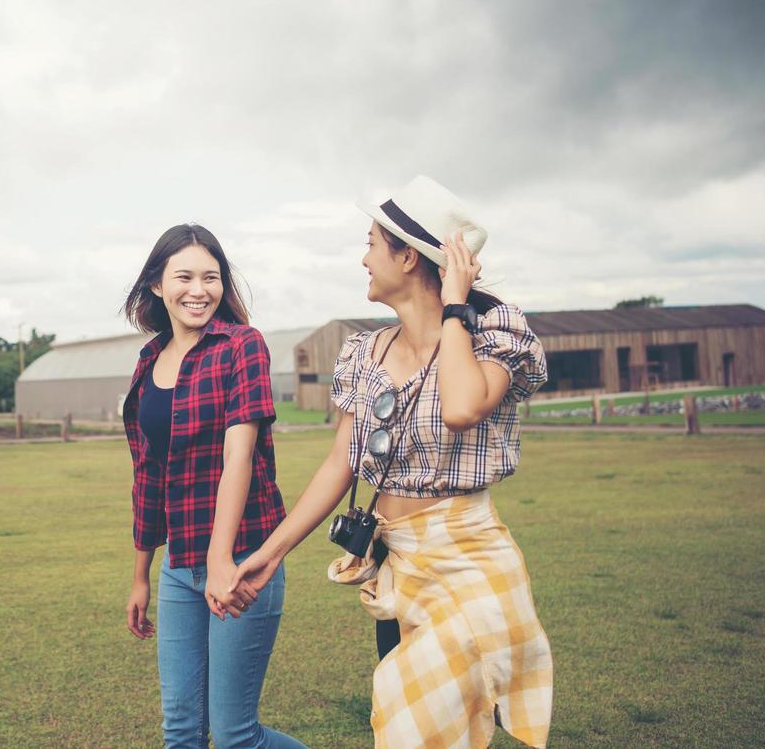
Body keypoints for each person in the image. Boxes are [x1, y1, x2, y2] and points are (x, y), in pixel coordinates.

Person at [229, 177, 553, 748]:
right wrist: (269, 554)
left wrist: (455, 305)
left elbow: (459, 408)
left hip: (467, 562)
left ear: (408, 256)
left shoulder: (496, 334)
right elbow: (340, 463)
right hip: (396, 566)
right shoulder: (363, 352)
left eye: (372, 243)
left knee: (413, 725)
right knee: (411, 720)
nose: (364, 258)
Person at [121, 223, 307, 749]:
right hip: (179, 569)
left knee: (234, 738)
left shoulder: (241, 346)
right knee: (180, 731)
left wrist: (222, 561)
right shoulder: (147, 363)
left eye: (211, 277)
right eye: (184, 276)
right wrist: (141, 575)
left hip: (245, 559)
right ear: (157, 285)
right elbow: (147, 476)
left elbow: (238, 457)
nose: (198, 290)